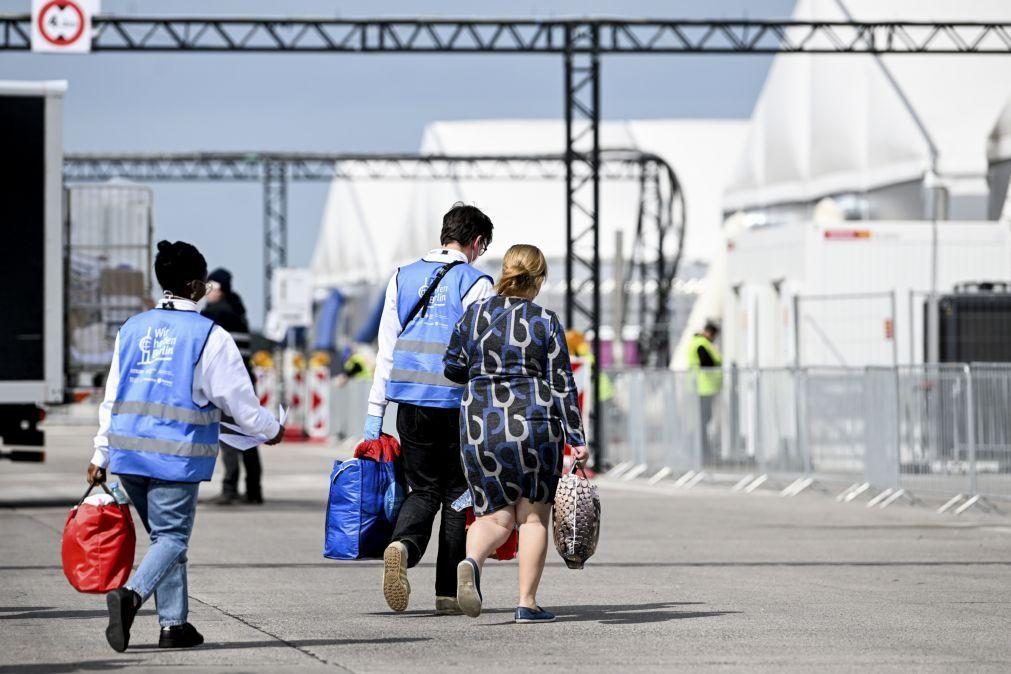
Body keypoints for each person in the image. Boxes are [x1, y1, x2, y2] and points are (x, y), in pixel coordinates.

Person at [86, 241, 284, 652]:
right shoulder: (209, 336)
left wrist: (99, 454)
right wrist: (271, 430)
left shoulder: (132, 328)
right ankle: (131, 596)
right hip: (174, 458)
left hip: (128, 455)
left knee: (163, 538)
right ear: (195, 285)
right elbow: (240, 403)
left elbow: (112, 395)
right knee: (172, 538)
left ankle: (174, 625)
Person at [443, 244, 589, 624]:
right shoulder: (545, 320)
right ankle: (527, 602)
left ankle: (472, 562)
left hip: (481, 426)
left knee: (492, 519)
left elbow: (452, 367)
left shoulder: (474, 316)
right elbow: (561, 383)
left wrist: (481, 372)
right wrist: (576, 436)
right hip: (534, 425)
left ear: (505, 272)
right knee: (533, 519)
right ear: (538, 279)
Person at [363, 203, 495, 615]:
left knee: (422, 489)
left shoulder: (401, 277)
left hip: (409, 403)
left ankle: (402, 544)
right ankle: (447, 593)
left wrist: (374, 413)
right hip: (457, 405)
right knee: (458, 493)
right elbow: (483, 352)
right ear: (477, 242)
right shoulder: (476, 282)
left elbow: (386, 348)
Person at [201, 268, 263, 505]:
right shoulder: (238, 312)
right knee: (249, 435)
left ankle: (229, 488)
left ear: (222, 290)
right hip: (246, 382)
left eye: (211, 287)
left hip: (228, 384)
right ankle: (254, 489)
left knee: (229, 436)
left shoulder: (216, 315)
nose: (207, 293)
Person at [688, 321, 723, 465]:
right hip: (704, 388)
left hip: (703, 388)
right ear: (709, 332)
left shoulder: (698, 342)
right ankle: (704, 453)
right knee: (703, 423)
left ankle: (704, 451)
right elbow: (707, 363)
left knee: (704, 422)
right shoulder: (702, 344)